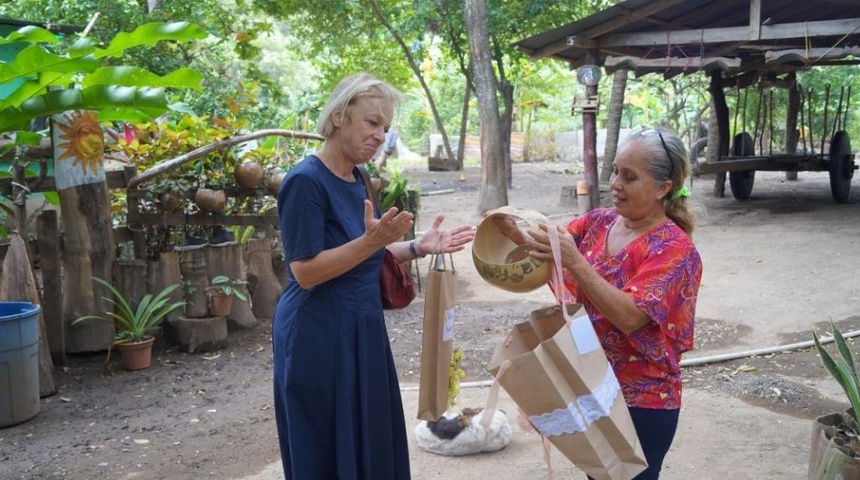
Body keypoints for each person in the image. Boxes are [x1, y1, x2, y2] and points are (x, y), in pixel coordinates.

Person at [272, 72, 474, 480]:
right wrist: (372, 242)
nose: (380, 134)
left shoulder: (359, 178)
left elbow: (367, 256)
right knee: (327, 445)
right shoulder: (304, 182)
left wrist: (417, 248)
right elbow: (305, 272)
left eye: (385, 126)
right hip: (318, 334)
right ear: (339, 115)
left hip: (361, 328)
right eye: (372, 122)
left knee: (370, 437)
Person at [499, 127, 702, 480]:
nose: (615, 184)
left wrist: (577, 262)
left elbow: (630, 316)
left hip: (642, 401)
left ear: (662, 188)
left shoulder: (675, 250)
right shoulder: (599, 222)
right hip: (590, 384)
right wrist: (515, 233)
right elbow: (552, 258)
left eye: (629, 177)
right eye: (615, 172)